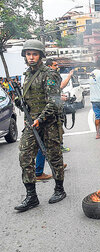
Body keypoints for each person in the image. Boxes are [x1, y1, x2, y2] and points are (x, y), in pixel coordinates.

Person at [14, 39, 66, 212]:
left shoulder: (49, 75)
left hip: (49, 122)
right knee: (25, 156)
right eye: (28, 54)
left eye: (34, 54)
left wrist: (40, 119)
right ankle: (31, 197)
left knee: (54, 156)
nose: (31, 57)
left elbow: (54, 103)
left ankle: (59, 189)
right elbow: (28, 102)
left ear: (41, 56)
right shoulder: (27, 75)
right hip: (32, 123)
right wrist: (19, 101)